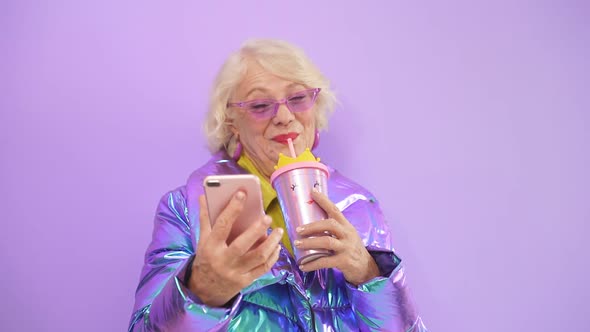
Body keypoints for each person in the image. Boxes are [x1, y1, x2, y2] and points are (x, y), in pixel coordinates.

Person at [129, 39, 427, 331]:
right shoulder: (186, 208)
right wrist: (202, 292)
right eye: (260, 105)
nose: (284, 117)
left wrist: (369, 274)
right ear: (231, 121)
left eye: (297, 99)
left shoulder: (361, 206)